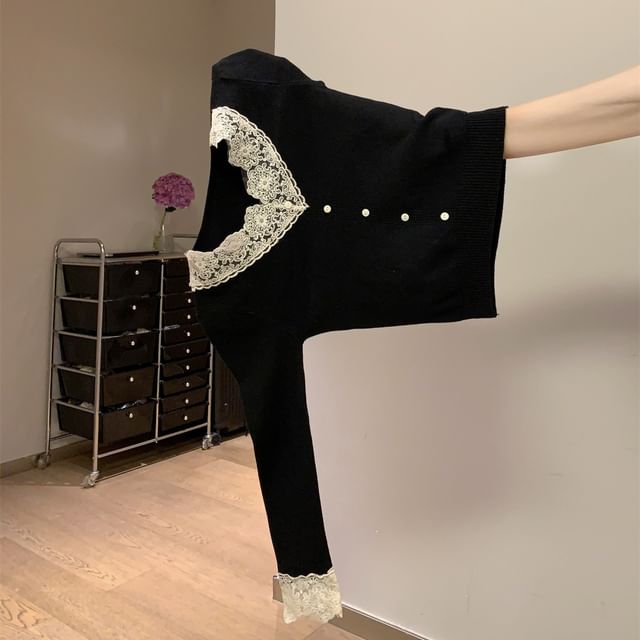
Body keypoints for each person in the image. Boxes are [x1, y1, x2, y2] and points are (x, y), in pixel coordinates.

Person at [186, 50, 639, 625]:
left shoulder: (251, 85)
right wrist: (305, 565)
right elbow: (280, 431)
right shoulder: (233, 291)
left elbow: (434, 144)